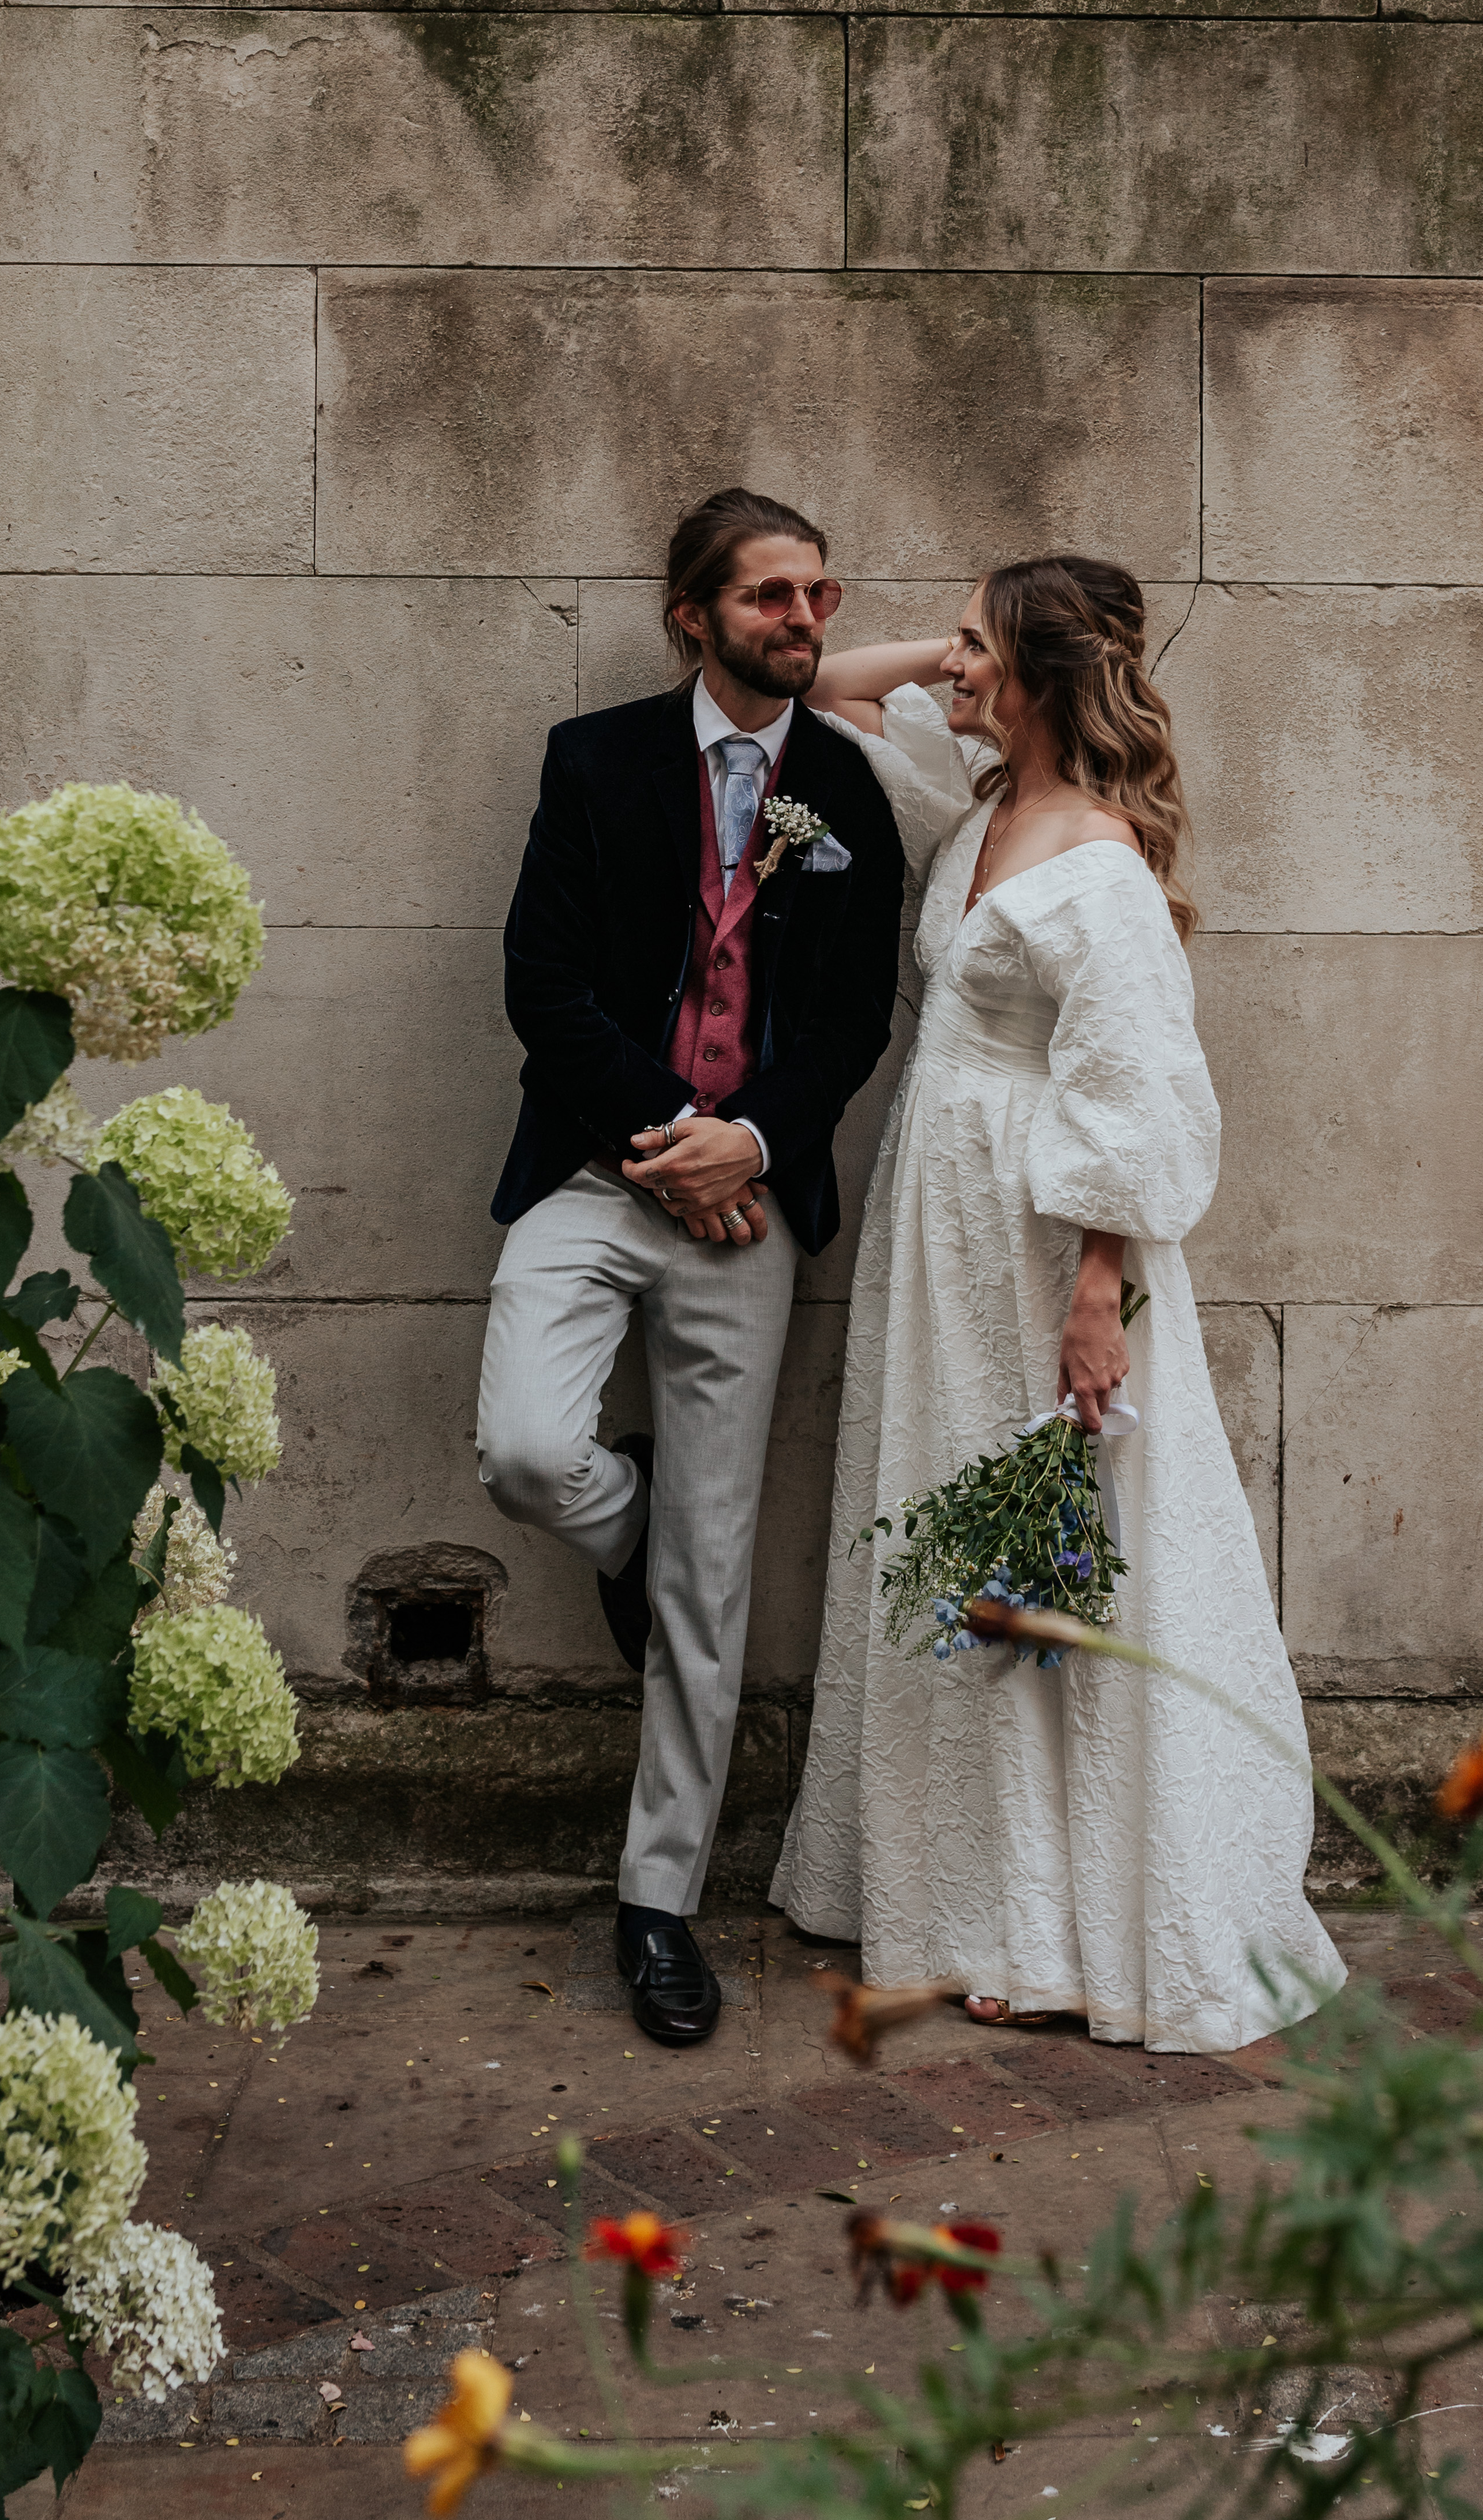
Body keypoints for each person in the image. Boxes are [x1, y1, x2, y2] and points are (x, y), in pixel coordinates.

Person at [772, 554, 1343, 2052]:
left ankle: (1061, 1910)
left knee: (1045, 1538)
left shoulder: (1093, 860)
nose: (945, 663)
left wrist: (1099, 1299)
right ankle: (967, 1894)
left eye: (975, 642)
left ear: (1039, 671)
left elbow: (1140, 1094)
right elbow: (817, 693)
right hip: (939, 1234)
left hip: (1039, 1243)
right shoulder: (970, 814)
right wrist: (962, 662)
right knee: (949, 1519)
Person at [479, 489, 906, 2048]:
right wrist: (675, 1135)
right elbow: (542, 979)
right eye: (772, 596)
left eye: (817, 595)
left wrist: (758, 1141)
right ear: (694, 614)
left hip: (752, 1208)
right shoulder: (593, 761)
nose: (804, 619)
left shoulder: (852, 787)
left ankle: (658, 1903)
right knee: (527, 1448)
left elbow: (853, 1019)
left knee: (713, 1588)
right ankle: (625, 1513)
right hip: (599, 1175)